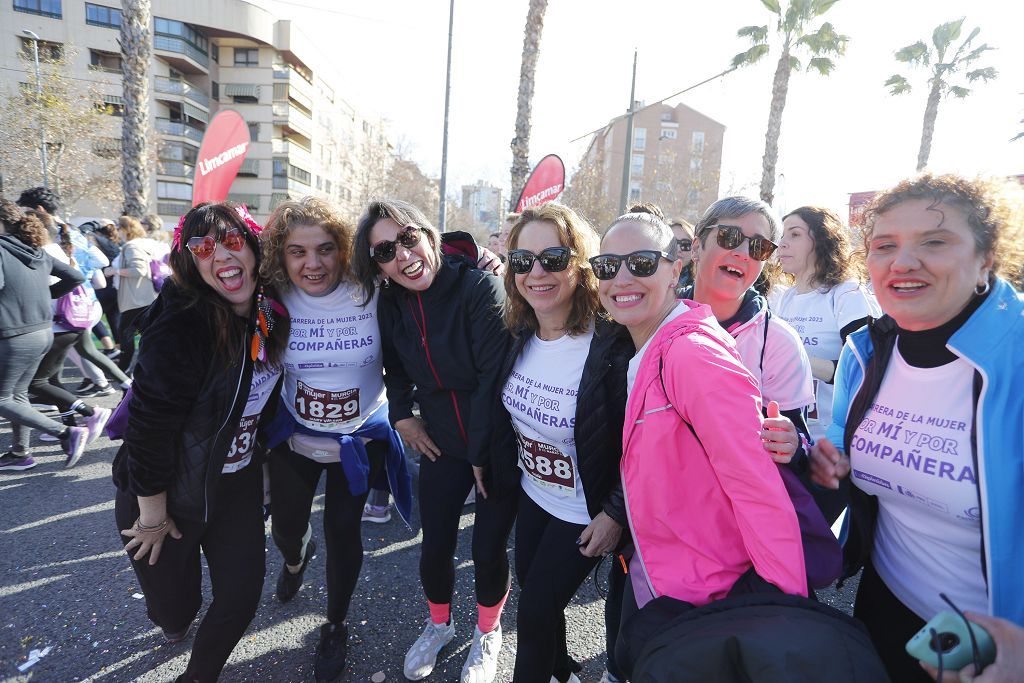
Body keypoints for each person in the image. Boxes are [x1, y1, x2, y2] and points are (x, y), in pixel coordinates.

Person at [811, 174, 1024, 683]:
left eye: (934, 241)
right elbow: (846, 436)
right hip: (885, 606)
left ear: (985, 258)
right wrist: (833, 463)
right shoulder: (865, 351)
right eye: (885, 246)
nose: (903, 262)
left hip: (995, 646)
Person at [591, 210, 807, 677]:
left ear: (675, 268)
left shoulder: (692, 355)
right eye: (608, 266)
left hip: (705, 595)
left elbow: (759, 489)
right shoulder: (649, 345)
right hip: (662, 574)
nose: (622, 278)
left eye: (642, 263)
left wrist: (783, 620)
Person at [112, 202, 286, 683]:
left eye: (231, 241)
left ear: (252, 248)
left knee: (241, 596)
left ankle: (199, 676)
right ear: (190, 261)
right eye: (203, 246)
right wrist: (153, 514)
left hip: (235, 486)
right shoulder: (182, 325)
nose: (221, 255)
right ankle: (172, 619)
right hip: (165, 496)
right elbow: (147, 428)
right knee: (174, 609)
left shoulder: (268, 315)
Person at [352, 199, 517, 683]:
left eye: (407, 238)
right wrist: (403, 417)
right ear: (377, 264)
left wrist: (483, 454)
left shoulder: (476, 285)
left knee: (487, 550)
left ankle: (488, 633)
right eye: (385, 251)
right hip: (440, 442)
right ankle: (439, 625)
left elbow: (493, 378)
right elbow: (395, 370)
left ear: (428, 235)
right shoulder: (391, 301)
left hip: (496, 440)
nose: (402, 255)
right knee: (434, 545)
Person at [258, 197, 413, 683]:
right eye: (298, 252)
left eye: (325, 249)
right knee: (286, 528)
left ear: (344, 249)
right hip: (295, 443)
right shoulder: (271, 297)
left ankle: (336, 624)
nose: (313, 264)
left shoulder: (371, 290)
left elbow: (423, 275)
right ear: (281, 256)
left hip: (357, 442)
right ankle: (294, 557)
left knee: (344, 535)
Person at [494, 203, 632, 683]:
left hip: (585, 510)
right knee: (538, 598)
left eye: (553, 258)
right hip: (536, 497)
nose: (536, 272)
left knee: (532, 615)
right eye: (522, 261)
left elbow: (643, 443)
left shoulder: (614, 346)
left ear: (579, 263)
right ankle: (562, 670)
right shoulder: (519, 333)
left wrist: (616, 512)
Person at [684, 197, 814, 477]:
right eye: (729, 237)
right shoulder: (656, 321)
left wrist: (790, 444)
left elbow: (801, 444)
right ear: (696, 247)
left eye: (759, 247)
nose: (743, 253)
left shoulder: (780, 342)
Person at [775, 206, 879, 443]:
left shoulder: (846, 294)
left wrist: (796, 360)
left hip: (836, 443)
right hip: (793, 440)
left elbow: (865, 366)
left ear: (822, 240)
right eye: (782, 235)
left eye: (795, 234)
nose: (782, 243)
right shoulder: (785, 298)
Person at [0, 200, 88, 471]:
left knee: (3, 399)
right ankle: (20, 452)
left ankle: (66, 433)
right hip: (41, 332)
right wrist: (43, 296)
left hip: (13, 336)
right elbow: (75, 277)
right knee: (17, 396)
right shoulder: (33, 249)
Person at [24, 215, 113, 463]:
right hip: (66, 323)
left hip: (57, 325)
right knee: (50, 379)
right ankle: (70, 429)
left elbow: (74, 279)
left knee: (35, 383)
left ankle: (90, 412)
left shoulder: (42, 251)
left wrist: (45, 295)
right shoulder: (57, 248)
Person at [104, 216, 158, 372]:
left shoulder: (131, 246)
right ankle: (142, 368)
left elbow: (140, 270)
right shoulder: (147, 244)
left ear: (125, 229)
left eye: (118, 229)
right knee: (147, 337)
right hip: (148, 297)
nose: (117, 233)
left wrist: (115, 271)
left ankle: (123, 370)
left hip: (135, 300)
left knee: (126, 335)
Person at [669, 219, 695, 292]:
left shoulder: (699, 285)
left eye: (686, 244)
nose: (678, 249)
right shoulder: (651, 276)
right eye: (673, 242)